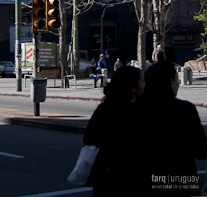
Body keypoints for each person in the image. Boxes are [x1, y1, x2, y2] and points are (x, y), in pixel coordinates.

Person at [138, 61, 207, 195]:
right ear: (170, 81)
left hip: (145, 181)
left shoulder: (135, 110)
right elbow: (201, 151)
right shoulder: (185, 110)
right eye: (177, 79)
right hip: (181, 181)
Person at [83, 65, 145, 196]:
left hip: (105, 176)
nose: (145, 86)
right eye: (143, 81)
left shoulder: (104, 108)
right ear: (133, 87)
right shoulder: (138, 112)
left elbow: (88, 137)